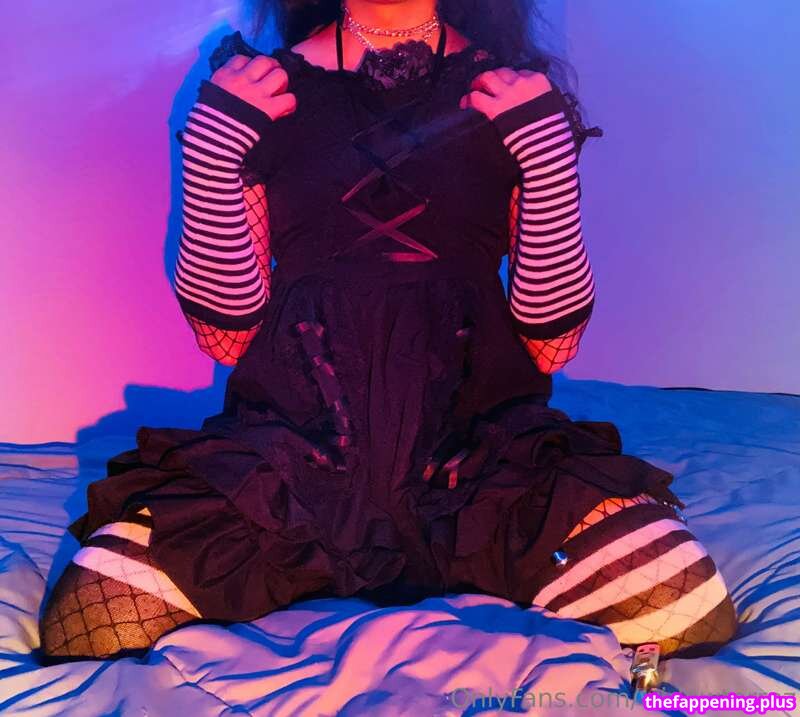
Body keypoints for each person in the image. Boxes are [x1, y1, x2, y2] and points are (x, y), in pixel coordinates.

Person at [38, 0, 737, 662]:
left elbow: (553, 345)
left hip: (477, 456)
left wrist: (548, 160)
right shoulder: (260, 86)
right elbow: (225, 338)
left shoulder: (511, 91)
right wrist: (212, 153)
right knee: (86, 625)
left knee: (685, 608)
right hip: (295, 453)